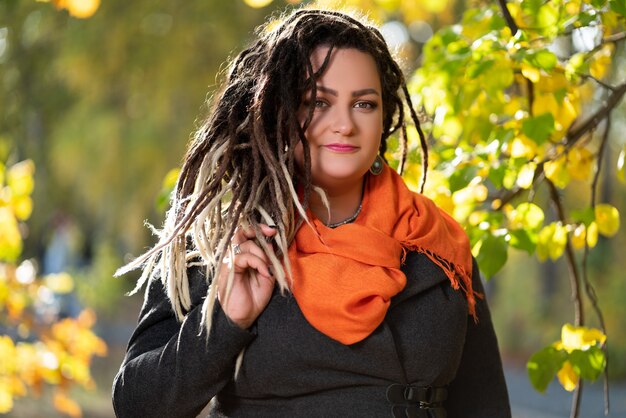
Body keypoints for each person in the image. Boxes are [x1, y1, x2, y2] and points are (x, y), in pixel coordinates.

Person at [112, 8, 511, 418]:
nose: (344, 125)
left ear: (384, 117)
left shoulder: (439, 244)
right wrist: (226, 321)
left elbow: (485, 403)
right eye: (319, 102)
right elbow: (136, 405)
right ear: (277, 111)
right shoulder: (223, 239)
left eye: (365, 104)